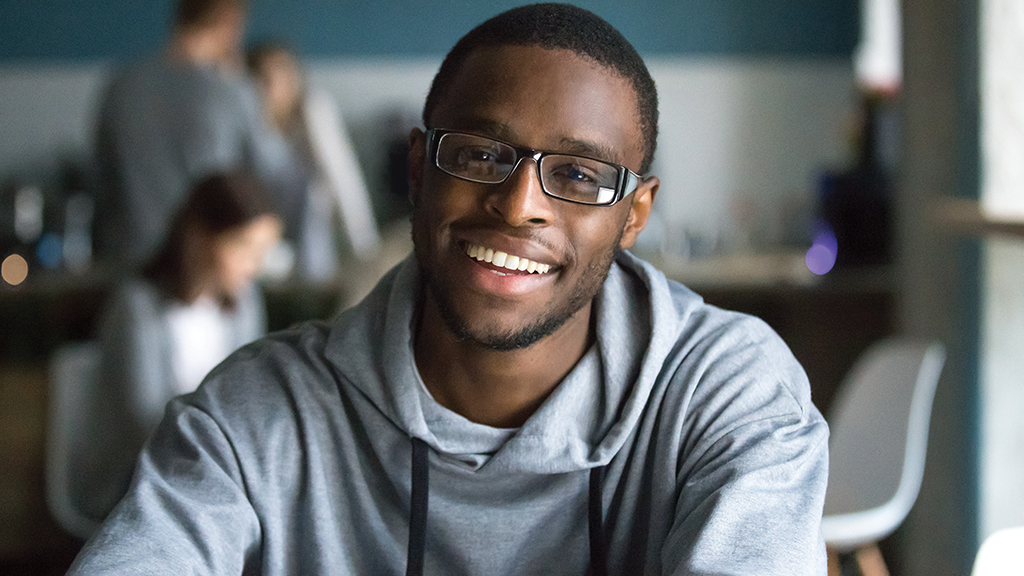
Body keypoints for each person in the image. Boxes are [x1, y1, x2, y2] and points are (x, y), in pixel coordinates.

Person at [68, 4, 829, 575]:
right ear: (418, 170)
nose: (519, 203)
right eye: (479, 154)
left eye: (578, 175)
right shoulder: (258, 415)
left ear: (635, 216)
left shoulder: (729, 397)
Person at [71, 172, 282, 524]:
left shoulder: (245, 305)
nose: (255, 265)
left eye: (263, 251)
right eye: (244, 247)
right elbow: (143, 419)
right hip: (137, 474)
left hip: (212, 469)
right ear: (200, 237)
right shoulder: (136, 307)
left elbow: (248, 394)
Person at [92, 0, 305, 270]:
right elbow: (281, 177)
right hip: (207, 273)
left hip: (130, 269)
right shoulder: (232, 92)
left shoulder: (119, 89)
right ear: (230, 20)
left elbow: (100, 186)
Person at [245, 41, 382, 281]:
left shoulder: (313, 112)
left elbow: (341, 178)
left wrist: (363, 246)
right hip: (261, 228)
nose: (272, 88)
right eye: (263, 79)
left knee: (315, 191)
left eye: (281, 78)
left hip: (308, 233)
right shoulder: (245, 121)